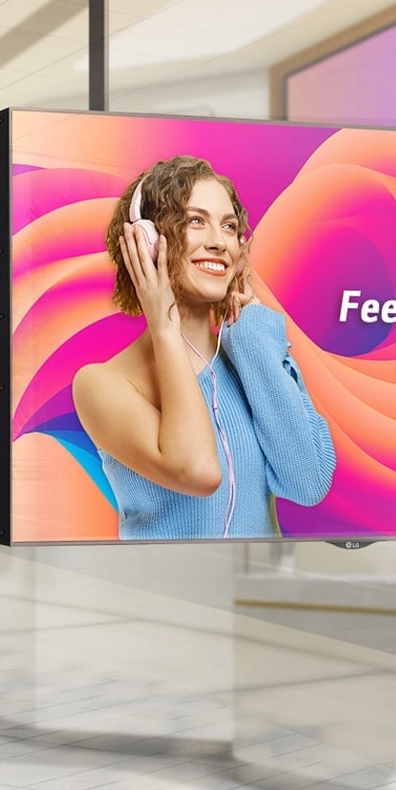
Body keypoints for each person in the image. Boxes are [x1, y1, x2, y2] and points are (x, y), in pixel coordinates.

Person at [73, 155, 336, 540]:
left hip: (253, 590)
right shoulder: (102, 384)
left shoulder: (249, 357)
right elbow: (198, 472)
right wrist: (165, 328)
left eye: (229, 227)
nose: (218, 242)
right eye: (196, 221)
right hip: (161, 595)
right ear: (146, 241)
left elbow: (308, 483)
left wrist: (252, 331)